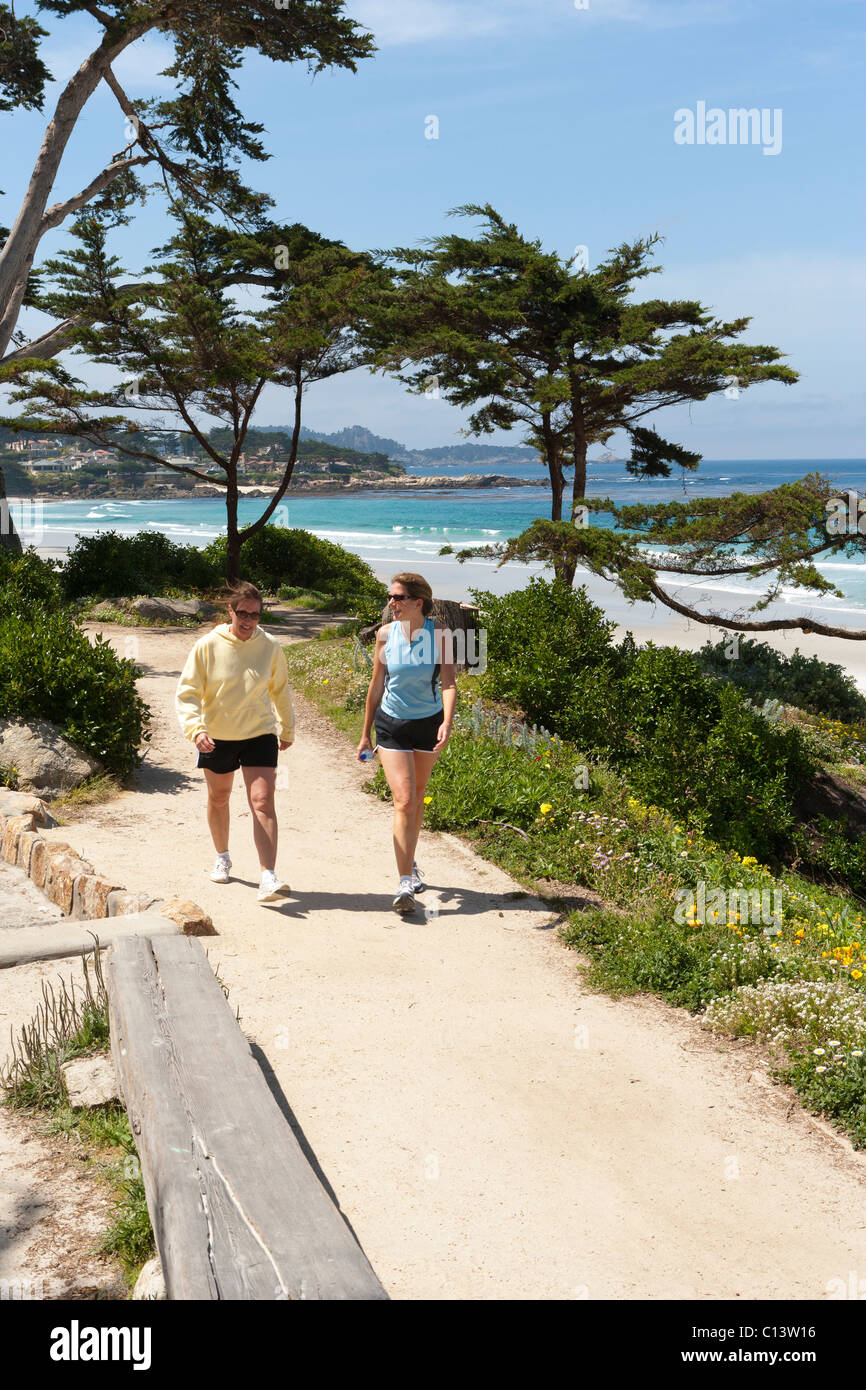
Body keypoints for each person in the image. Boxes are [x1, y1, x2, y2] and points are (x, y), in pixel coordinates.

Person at [175, 581, 294, 904]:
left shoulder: (269, 645)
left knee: (262, 800)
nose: (248, 621)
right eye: (242, 614)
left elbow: (280, 689)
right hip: (217, 737)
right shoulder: (207, 645)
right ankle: (222, 856)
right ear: (230, 611)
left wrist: (287, 729)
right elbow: (187, 693)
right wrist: (195, 729)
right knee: (219, 798)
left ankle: (268, 876)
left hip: (260, 734)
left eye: (255, 615)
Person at [357, 572, 456, 915]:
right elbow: (376, 686)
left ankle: (410, 861)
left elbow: (448, 683)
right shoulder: (384, 635)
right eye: (390, 597)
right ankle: (404, 883)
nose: (391, 603)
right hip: (391, 724)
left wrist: (446, 721)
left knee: (417, 798)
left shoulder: (440, 633)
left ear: (419, 602)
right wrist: (365, 733)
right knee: (404, 800)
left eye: (398, 597)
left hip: (428, 723)